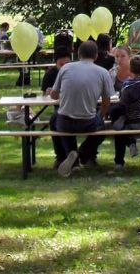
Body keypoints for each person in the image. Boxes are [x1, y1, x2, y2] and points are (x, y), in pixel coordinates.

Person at [49, 41, 115, 177]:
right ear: (96, 56)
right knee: (102, 128)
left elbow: (54, 95)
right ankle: (81, 154)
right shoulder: (103, 72)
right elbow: (106, 103)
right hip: (88, 122)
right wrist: (100, 116)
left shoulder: (65, 68)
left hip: (65, 122)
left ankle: (65, 158)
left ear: (78, 54)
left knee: (56, 119)